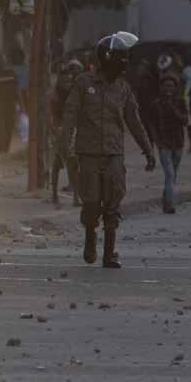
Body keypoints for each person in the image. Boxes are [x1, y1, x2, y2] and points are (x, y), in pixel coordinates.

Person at [61, 32, 156, 268]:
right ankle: (90, 235)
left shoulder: (123, 88)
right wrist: (65, 149)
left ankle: (109, 253)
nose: (124, 64)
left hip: (114, 154)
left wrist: (148, 149)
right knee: (91, 203)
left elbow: (134, 121)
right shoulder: (83, 83)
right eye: (121, 59)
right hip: (88, 153)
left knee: (113, 204)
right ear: (107, 59)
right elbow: (70, 116)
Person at [149, 75, 189, 214]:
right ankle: (169, 205)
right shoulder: (155, 104)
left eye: (171, 86)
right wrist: (156, 142)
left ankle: (166, 200)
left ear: (175, 88)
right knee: (170, 174)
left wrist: (172, 108)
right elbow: (151, 125)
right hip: (164, 143)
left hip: (178, 143)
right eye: (166, 86)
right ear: (161, 87)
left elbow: (185, 120)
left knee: (172, 175)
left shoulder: (180, 102)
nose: (168, 89)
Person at [48, 61, 80, 207]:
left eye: (69, 80)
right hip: (59, 133)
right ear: (59, 81)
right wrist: (55, 131)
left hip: (71, 131)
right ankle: (55, 195)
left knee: (73, 164)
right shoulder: (54, 96)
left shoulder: (73, 93)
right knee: (57, 164)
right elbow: (50, 116)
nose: (68, 83)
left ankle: (75, 198)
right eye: (65, 80)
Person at [0, 52, 20, 156]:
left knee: (9, 127)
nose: (2, 62)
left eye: (3, 59)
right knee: (0, 128)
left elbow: (17, 90)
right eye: (0, 60)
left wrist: (19, 105)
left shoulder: (12, 73)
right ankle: (0, 150)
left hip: (10, 104)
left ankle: (5, 149)